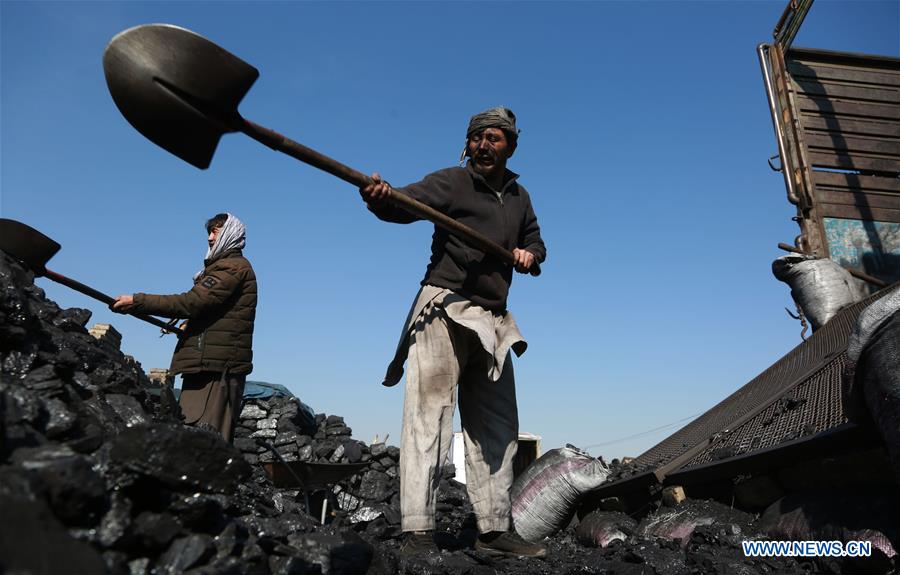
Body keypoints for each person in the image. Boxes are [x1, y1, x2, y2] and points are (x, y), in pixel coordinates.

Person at [359, 107, 547, 557]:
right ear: (468, 144)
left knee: (497, 425)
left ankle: (495, 530)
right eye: (477, 137)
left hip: (492, 319)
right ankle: (419, 530)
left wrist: (528, 255)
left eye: (495, 138)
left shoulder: (519, 197)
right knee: (430, 415)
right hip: (443, 306)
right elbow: (404, 204)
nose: (484, 145)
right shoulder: (453, 181)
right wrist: (380, 197)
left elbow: (538, 242)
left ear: (511, 146)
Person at [112, 213, 257, 443]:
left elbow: (192, 302)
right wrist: (193, 323)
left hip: (214, 370)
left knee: (203, 440)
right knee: (200, 438)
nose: (210, 238)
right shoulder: (226, 267)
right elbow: (210, 308)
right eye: (208, 233)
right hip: (209, 365)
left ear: (230, 234)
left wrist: (138, 301)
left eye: (215, 232)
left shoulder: (231, 268)